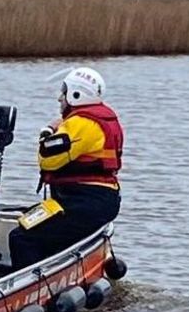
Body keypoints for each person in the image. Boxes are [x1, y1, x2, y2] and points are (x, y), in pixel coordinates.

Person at [8, 67, 124, 270]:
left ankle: (27, 288)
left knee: (21, 237)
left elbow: (48, 160)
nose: (59, 98)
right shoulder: (100, 119)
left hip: (83, 202)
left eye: (64, 91)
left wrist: (47, 132)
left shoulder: (81, 124)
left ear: (76, 94)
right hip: (93, 199)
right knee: (30, 220)